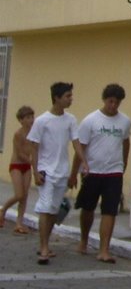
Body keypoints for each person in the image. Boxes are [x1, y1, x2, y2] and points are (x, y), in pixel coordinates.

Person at [26, 82, 87, 265]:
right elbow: (34, 148)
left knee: (53, 209)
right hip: (46, 171)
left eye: (71, 96)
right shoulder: (42, 121)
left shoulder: (70, 120)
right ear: (57, 98)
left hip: (62, 171)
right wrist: (35, 172)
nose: (71, 99)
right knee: (45, 207)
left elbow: (76, 143)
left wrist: (83, 162)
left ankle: (45, 243)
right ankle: (44, 247)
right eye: (67, 96)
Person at [70, 83, 131, 264]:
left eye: (117, 102)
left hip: (113, 172)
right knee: (88, 208)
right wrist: (74, 173)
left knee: (109, 210)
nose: (113, 105)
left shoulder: (125, 121)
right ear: (105, 100)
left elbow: (126, 142)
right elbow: (80, 148)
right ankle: (84, 240)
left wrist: (124, 163)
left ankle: (104, 249)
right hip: (92, 171)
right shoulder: (90, 120)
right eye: (111, 101)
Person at [1, 106, 35, 234]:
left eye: (32, 117)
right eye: (27, 117)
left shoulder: (34, 133)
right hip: (16, 165)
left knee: (24, 196)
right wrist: (33, 163)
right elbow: (20, 153)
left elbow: (36, 148)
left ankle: (19, 223)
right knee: (19, 194)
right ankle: (3, 209)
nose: (31, 120)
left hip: (27, 166)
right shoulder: (18, 134)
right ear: (21, 120)